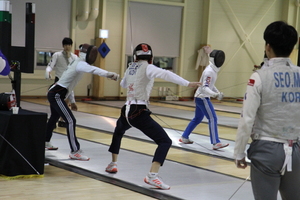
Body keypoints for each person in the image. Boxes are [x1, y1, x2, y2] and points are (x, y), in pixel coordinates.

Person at [105, 43, 201, 189]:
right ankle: (152, 176)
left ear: (136, 56)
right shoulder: (149, 67)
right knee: (165, 141)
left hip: (126, 110)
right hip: (138, 111)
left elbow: (123, 85)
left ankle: (113, 164)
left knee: (118, 132)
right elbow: (166, 74)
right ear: (150, 56)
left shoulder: (130, 67)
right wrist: (187, 83)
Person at [234, 21, 300, 200]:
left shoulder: (259, 76)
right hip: (296, 149)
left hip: (266, 151)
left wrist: (239, 152)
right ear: (292, 48)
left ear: (267, 47)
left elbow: (247, 118)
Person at [45, 43, 119, 161]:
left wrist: (72, 101)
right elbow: (94, 70)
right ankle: (75, 151)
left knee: (54, 117)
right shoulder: (80, 64)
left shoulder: (76, 62)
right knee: (70, 120)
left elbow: (70, 85)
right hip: (57, 94)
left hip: (56, 92)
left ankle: (45, 141)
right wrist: (109, 74)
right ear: (87, 54)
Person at [179, 50, 229, 150]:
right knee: (212, 118)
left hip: (199, 97)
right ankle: (216, 142)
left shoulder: (212, 70)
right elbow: (204, 87)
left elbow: (210, 84)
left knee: (197, 118)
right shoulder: (209, 71)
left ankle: (184, 137)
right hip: (202, 98)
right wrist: (215, 94)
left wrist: (217, 92)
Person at [45, 37, 78, 131]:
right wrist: (47, 72)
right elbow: (50, 65)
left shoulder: (74, 57)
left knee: (58, 113)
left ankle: (59, 121)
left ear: (71, 46)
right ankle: (51, 126)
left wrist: (73, 102)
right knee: (54, 114)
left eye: (69, 45)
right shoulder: (57, 55)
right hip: (57, 83)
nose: (67, 47)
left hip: (67, 85)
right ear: (63, 46)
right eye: (65, 45)